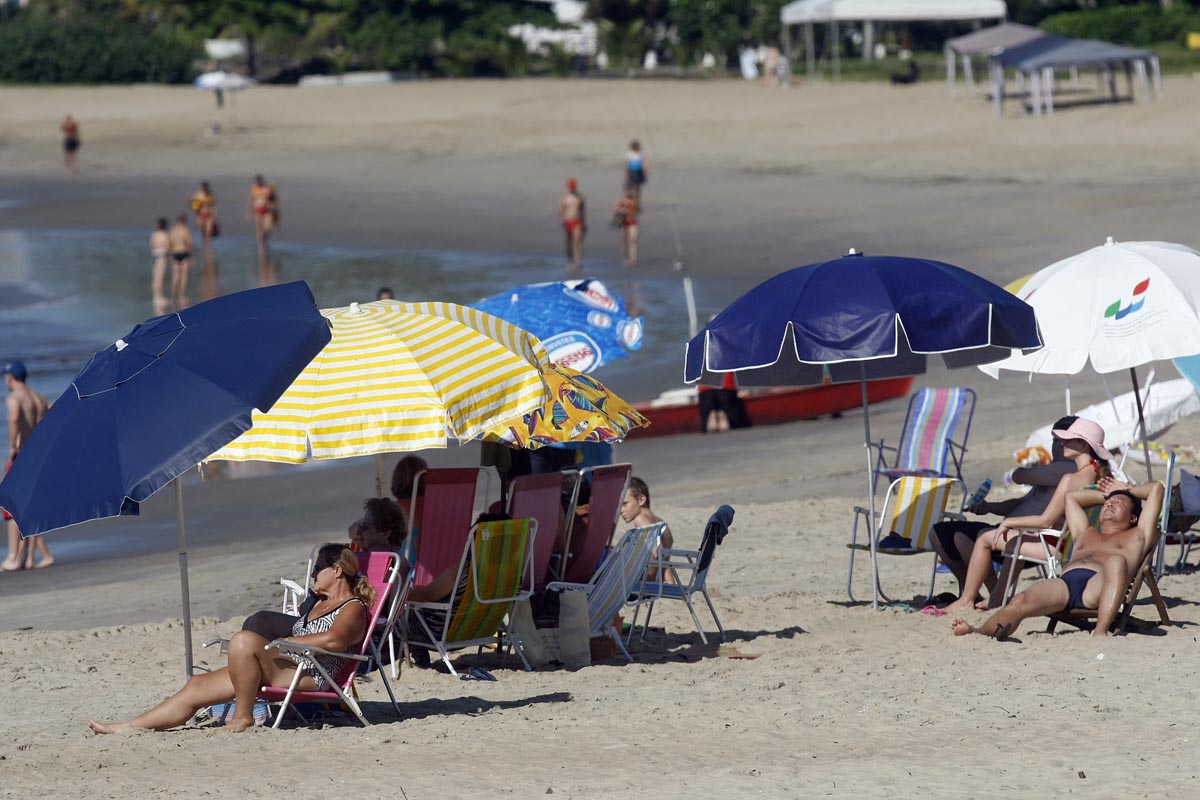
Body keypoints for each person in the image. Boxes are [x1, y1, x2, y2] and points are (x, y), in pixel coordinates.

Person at [90, 544, 374, 733]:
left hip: (312, 674)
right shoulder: (317, 602)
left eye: (316, 570)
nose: (312, 574)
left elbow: (336, 641)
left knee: (242, 641)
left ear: (336, 571)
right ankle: (128, 727)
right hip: (289, 664)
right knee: (197, 685)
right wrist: (287, 642)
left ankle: (243, 715)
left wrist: (288, 642)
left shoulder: (352, 607)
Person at [951, 478, 1163, 640]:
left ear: (1134, 517)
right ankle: (979, 631)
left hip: (1098, 587)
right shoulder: (1085, 532)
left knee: (1116, 560)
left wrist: (1125, 489)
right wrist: (1110, 494)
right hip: (1066, 584)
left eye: (1118, 503)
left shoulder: (1139, 535)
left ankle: (1100, 632)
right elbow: (1071, 497)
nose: (1110, 504)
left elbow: (1156, 490)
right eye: (1108, 502)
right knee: (1020, 601)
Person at [945, 417, 1112, 613]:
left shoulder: (1070, 479)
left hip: (1057, 547)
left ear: (1084, 444)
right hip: (1076, 546)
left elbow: (1045, 521)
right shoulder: (1103, 476)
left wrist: (1009, 522)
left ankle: (966, 600)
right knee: (1016, 540)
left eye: (1067, 440)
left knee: (984, 538)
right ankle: (997, 598)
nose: (1061, 444)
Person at [929, 415, 1079, 601]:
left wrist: (1023, 473)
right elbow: (1022, 502)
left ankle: (990, 595)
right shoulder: (1054, 471)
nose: (1057, 445)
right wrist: (990, 507)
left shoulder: (1067, 470)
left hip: (1032, 538)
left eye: (1061, 440)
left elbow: (1019, 475)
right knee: (939, 532)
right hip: (1013, 531)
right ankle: (974, 592)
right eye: (1055, 439)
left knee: (964, 537)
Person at [2, 361, 51, 572]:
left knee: (11, 508)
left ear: (10, 377)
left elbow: (14, 418)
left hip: (20, 456)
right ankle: (26, 557)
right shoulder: (39, 398)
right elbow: (53, 413)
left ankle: (13, 557)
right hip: (35, 457)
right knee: (29, 507)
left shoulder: (14, 398)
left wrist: (13, 445)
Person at [620, 476, 674, 580]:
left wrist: (672, 585)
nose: (621, 510)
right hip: (656, 580)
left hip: (645, 585)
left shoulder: (641, 520)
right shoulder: (661, 523)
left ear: (641, 500)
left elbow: (660, 556)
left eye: (624, 504)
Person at [246, 174, 277, 265]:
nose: (257, 182)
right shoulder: (254, 188)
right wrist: (249, 211)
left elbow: (273, 199)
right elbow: (251, 199)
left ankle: (265, 239)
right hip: (258, 210)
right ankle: (261, 247)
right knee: (259, 229)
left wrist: (272, 205)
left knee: (268, 228)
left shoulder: (268, 188)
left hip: (267, 210)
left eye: (259, 181)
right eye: (256, 181)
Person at [558, 178, 586, 275]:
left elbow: (582, 211)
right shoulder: (565, 198)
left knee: (577, 242)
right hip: (567, 222)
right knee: (568, 244)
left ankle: (578, 261)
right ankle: (570, 261)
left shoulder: (580, 198)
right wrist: (561, 219)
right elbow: (561, 210)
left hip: (577, 222)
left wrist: (584, 223)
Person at [167, 214, 194, 310]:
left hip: (174, 254)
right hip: (184, 253)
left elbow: (169, 244)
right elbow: (189, 244)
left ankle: (173, 297)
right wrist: (192, 257)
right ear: (185, 221)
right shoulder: (185, 230)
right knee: (184, 276)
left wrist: (169, 257)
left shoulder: (173, 230)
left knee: (175, 276)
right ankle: (182, 296)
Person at [611, 183, 640, 269]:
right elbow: (613, 209)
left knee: (633, 240)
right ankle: (625, 258)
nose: (629, 192)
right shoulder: (622, 201)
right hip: (623, 223)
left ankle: (633, 258)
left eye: (630, 191)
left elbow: (636, 210)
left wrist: (628, 210)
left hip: (632, 222)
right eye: (627, 191)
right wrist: (620, 210)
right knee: (624, 241)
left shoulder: (635, 201)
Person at [149, 218, 170, 314]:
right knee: (160, 277)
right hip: (162, 257)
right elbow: (168, 248)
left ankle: (156, 296)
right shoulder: (165, 235)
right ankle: (159, 297)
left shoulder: (154, 234)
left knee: (155, 277)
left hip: (155, 257)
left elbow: (152, 245)